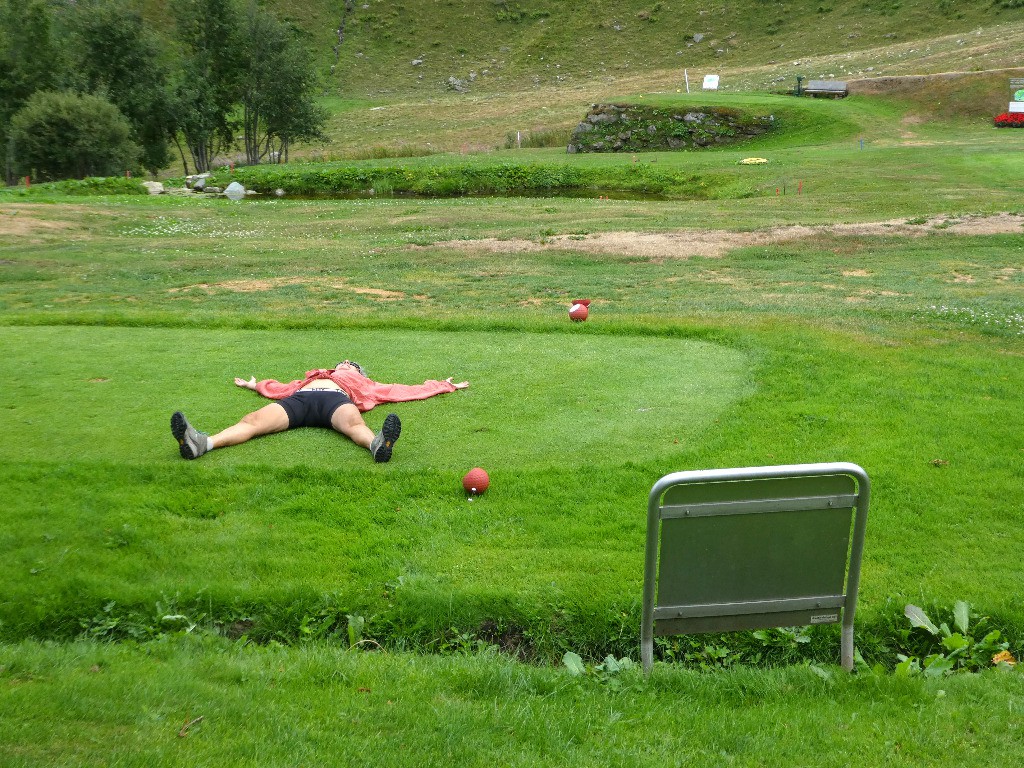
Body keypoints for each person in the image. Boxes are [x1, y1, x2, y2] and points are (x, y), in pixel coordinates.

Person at [171, 360, 469, 463]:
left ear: (357, 371)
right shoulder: (313, 376)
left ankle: (377, 445)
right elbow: (281, 387)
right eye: (345, 362)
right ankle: (202, 444)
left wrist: (441, 385)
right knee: (253, 421)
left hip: (335, 402)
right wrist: (255, 385)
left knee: (353, 423)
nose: (347, 364)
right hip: (300, 401)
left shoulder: (364, 383)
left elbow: (400, 390)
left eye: (352, 364)